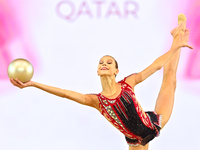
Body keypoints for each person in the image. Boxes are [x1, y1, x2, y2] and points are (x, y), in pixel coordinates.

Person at [10, 21, 193, 150]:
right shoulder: (97, 101)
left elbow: (156, 65)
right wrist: (33, 84)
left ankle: (178, 36)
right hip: (136, 141)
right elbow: (65, 93)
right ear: (98, 71)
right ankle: (178, 39)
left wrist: (175, 48)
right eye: (101, 63)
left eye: (109, 62)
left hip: (152, 124)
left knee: (170, 78)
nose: (104, 64)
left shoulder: (128, 83)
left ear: (116, 71)